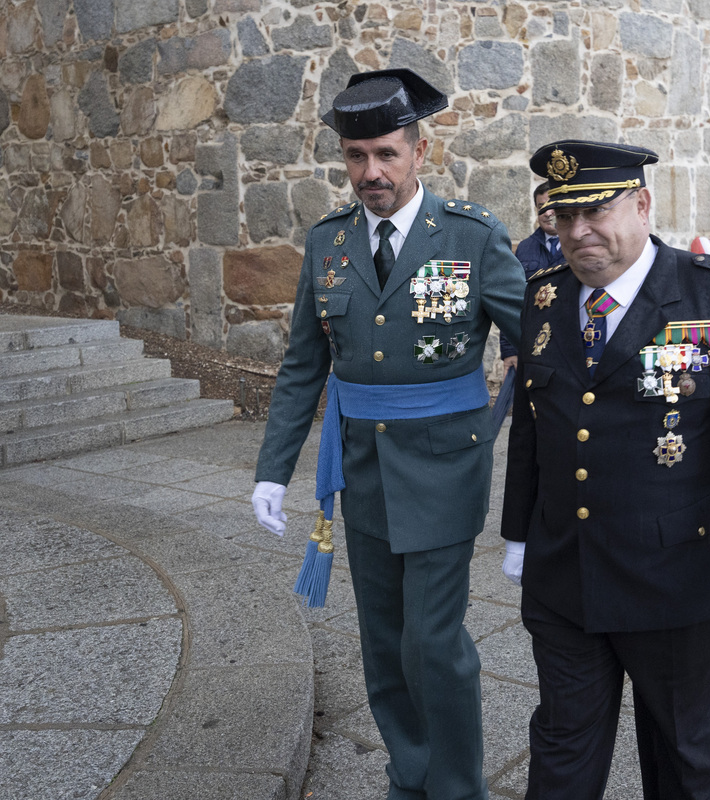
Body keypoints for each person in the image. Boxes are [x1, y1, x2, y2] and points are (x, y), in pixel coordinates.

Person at [250, 68, 526, 800]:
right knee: (382, 647)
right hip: (361, 470)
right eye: (355, 157)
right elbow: (303, 365)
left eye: (386, 155)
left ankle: (458, 787)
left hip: (443, 467)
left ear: (418, 152)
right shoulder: (328, 245)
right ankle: (412, 774)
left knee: (432, 643)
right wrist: (272, 470)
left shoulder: (469, 234)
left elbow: (539, 334)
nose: (370, 173)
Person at [500, 140, 710, 799]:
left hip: (677, 584)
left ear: (641, 204)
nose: (578, 233)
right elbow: (533, 422)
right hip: (566, 575)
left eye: (596, 213)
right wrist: (519, 532)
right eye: (562, 216)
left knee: (680, 759)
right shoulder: (545, 299)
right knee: (560, 752)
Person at [502, 182, 566, 372]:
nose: (547, 213)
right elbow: (512, 301)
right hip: (533, 346)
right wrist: (509, 351)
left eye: (552, 205)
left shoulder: (580, 245)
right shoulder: (524, 248)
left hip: (570, 343)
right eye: (541, 207)